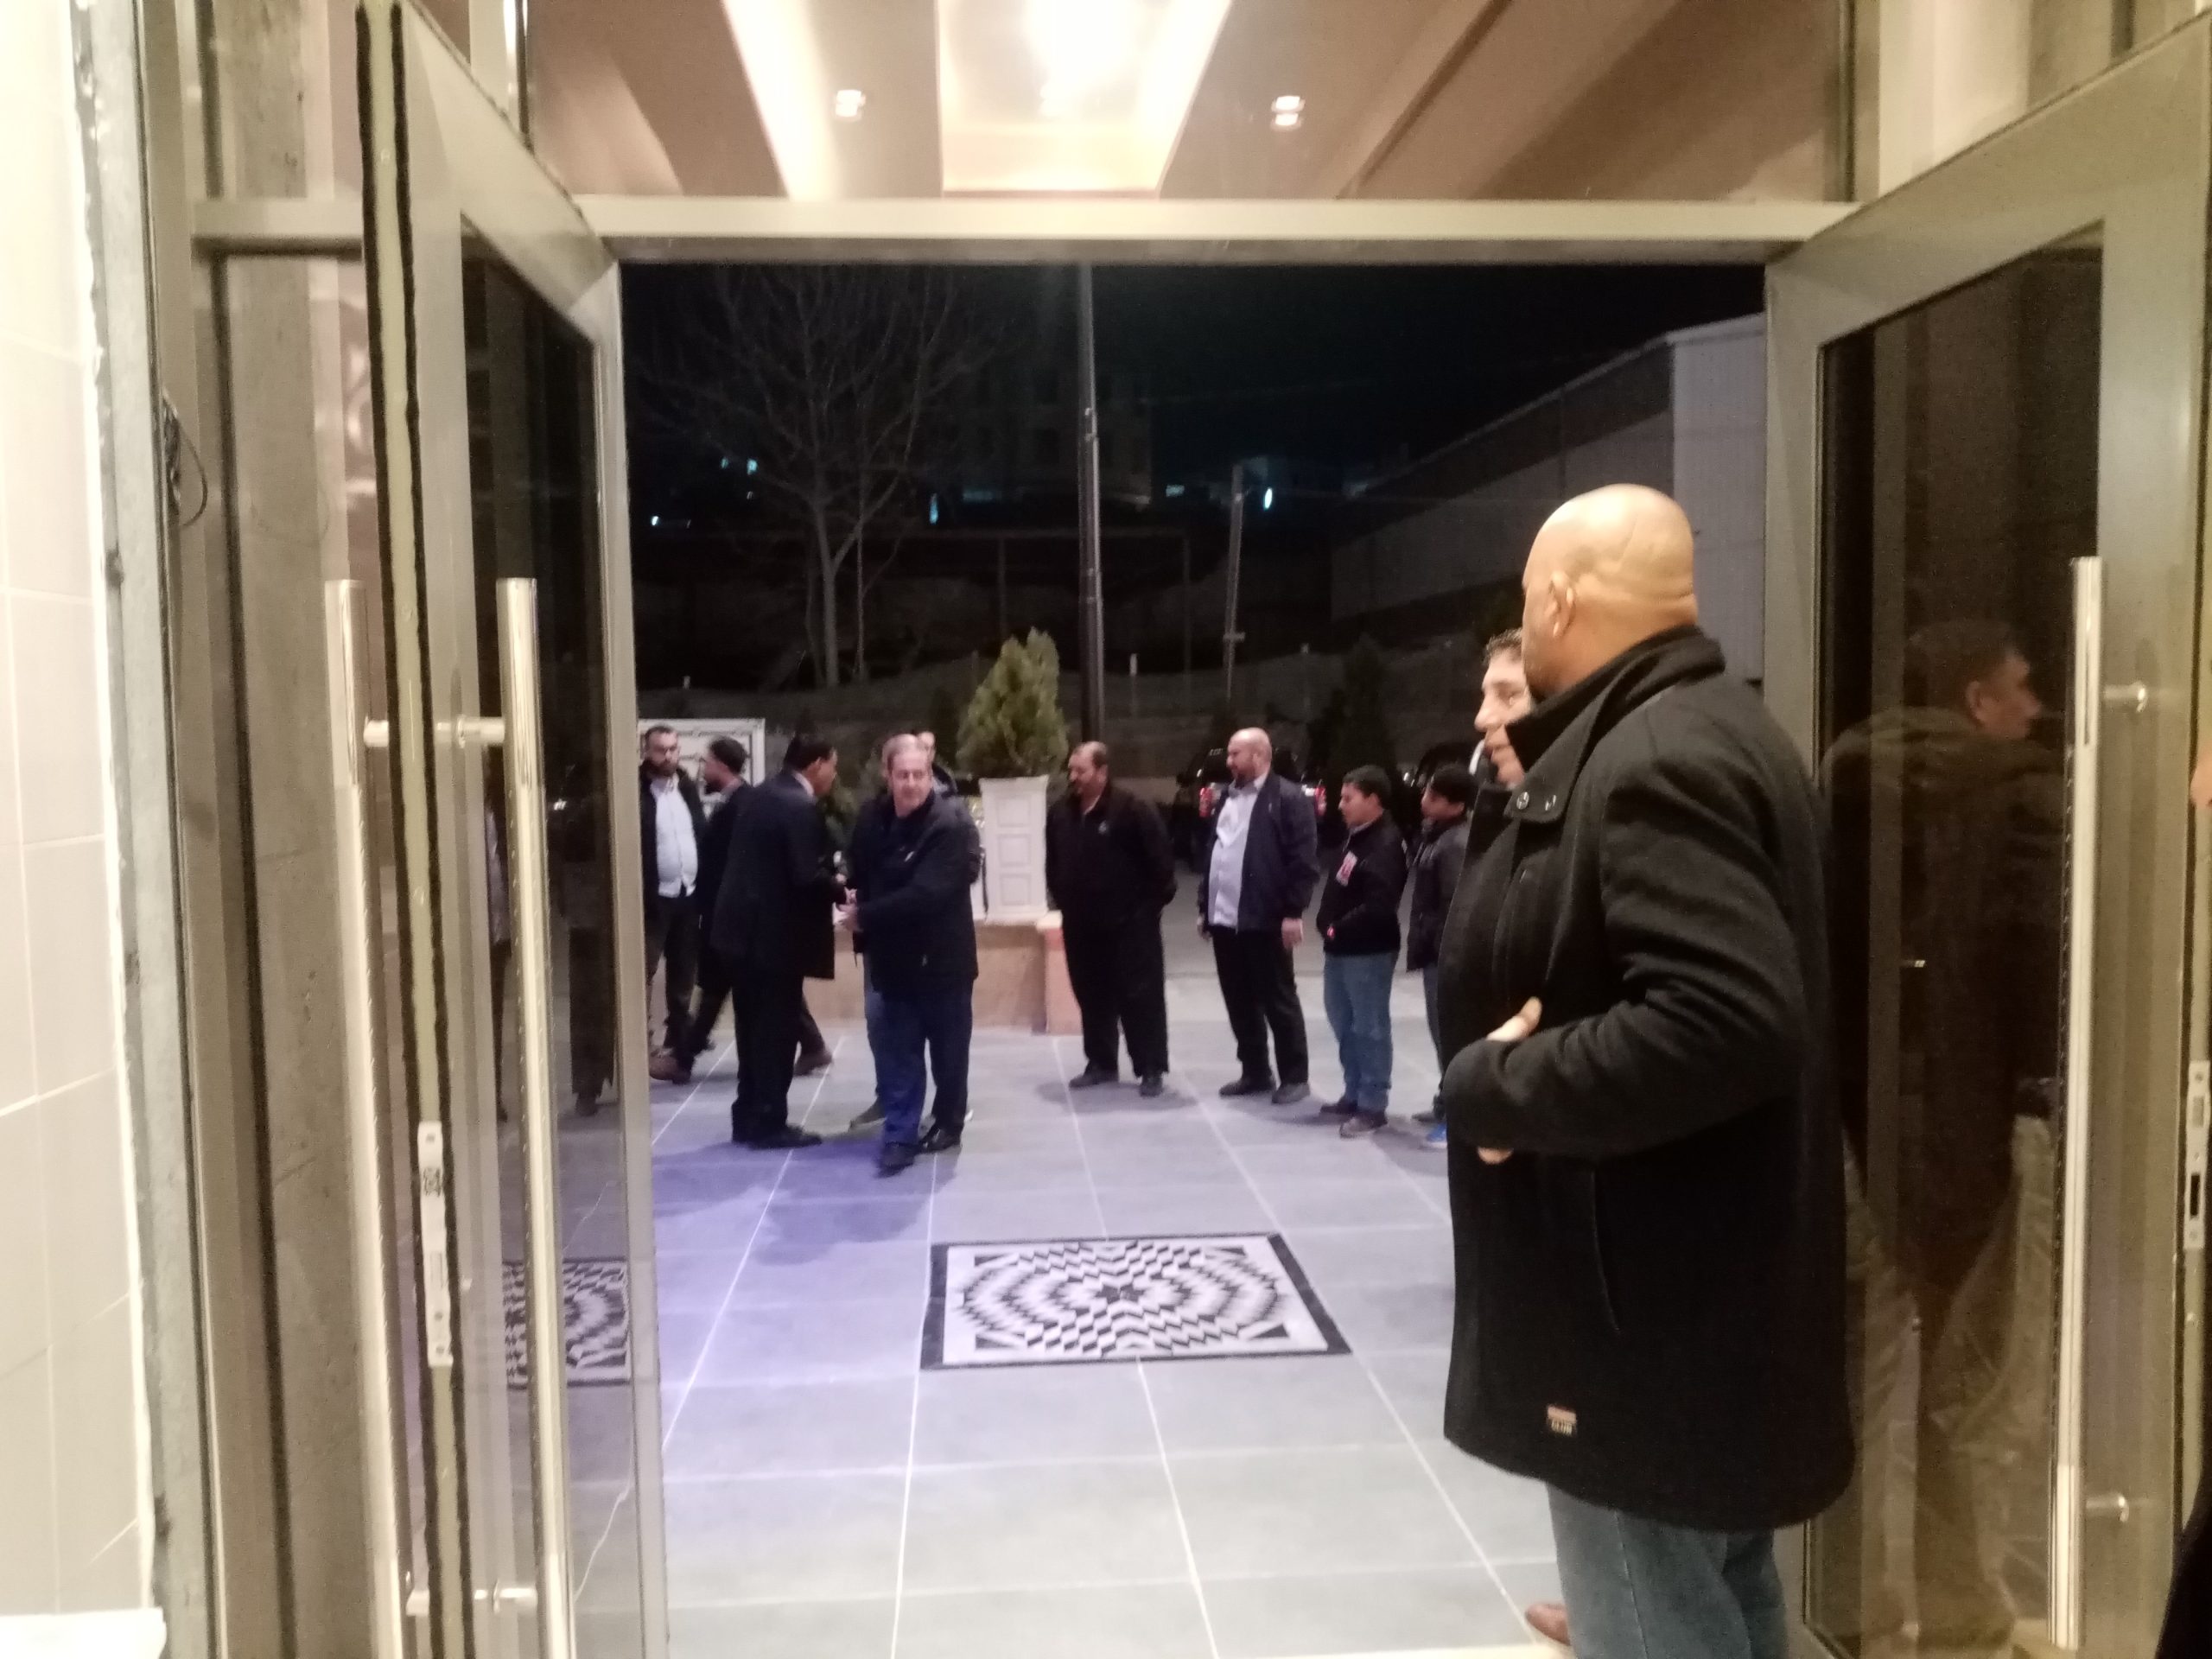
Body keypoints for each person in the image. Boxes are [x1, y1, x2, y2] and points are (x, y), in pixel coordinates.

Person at [1438, 484, 1850, 1659]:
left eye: (1530, 597)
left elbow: (1728, 1017)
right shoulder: (1714, 726)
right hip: (1693, 1301)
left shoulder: (1652, 757)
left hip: (1641, 1325)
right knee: (1729, 1602)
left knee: (1658, 1621)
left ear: (1559, 602)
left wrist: (1502, 1089)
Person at [1819, 619, 2062, 1659]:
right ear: (1975, 701)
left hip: (1858, 1124)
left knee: (1863, 1383)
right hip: (1981, 1131)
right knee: (1978, 1390)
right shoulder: (2024, 804)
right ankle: (1963, 1625)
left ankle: (1857, 1616)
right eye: (2020, 688)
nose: (2035, 709)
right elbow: (2041, 988)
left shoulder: (1842, 788)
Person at [846, 734, 979, 1176]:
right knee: (898, 1052)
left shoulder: (950, 825)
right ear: (887, 776)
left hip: (943, 963)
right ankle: (900, 1136)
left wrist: (866, 914)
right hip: (892, 961)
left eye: (919, 775)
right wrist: (850, 892)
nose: (911, 783)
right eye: (902, 775)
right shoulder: (872, 817)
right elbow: (859, 867)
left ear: (930, 774)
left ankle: (949, 1122)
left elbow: (928, 894)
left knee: (948, 1054)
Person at [712, 734, 844, 1149]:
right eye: (833, 766)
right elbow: (806, 875)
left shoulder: (761, 794)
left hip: (739, 936)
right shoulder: (798, 806)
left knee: (751, 1032)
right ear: (817, 764)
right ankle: (770, 1122)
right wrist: (841, 886)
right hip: (773, 941)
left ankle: (747, 1116)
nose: (834, 776)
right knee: (776, 1034)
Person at [1047, 741, 1176, 1097]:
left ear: (1102, 772)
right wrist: (1064, 901)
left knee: (1140, 998)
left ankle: (1150, 1068)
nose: (1073, 777)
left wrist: (1145, 912)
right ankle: (1101, 1063)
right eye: (1071, 770)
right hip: (1081, 927)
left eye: (1081, 770)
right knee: (1091, 995)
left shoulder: (1133, 809)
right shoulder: (1061, 812)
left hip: (1131, 928)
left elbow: (1162, 868)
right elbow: (1053, 863)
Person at [1199, 728, 1320, 1105]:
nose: (1229, 762)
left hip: (1265, 918)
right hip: (1225, 918)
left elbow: (1303, 861)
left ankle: (1295, 1077)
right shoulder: (1227, 797)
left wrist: (1293, 912)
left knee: (1278, 998)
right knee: (1238, 999)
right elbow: (1215, 851)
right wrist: (1205, 906)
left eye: (1235, 754)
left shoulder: (1288, 798)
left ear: (1259, 756)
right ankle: (1255, 1071)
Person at [1318, 765, 1408, 1138]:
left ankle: (1373, 1103)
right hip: (1341, 949)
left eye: (1348, 798)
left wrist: (1337, 927)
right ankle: (1353, 1091)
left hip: (1367, 951)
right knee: (1343, 1021)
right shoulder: (1357, 836)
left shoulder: (1385, 843)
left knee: (1369, 1027)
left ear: (1373, 799)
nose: (1341, 805)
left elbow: (1379, 905)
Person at [1404, 763, 1472, 1152]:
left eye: (1433, 794)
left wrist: (1442, 948)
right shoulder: (1438, 834)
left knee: (1450, 1037)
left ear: (1455, 804)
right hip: (1433, 950)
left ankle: (1457, 1120)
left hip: (1445, 954)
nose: (1424, 798)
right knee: (1440, 1032)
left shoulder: (1456, 843)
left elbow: (1456, 905)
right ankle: (1445, 1102)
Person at [640, 725, 706, 1067]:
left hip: (687, 893)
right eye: (660, 749)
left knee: (684, 972)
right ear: (646, 752)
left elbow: (699, 833)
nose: (668, 756)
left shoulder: (687, 787)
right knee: (644, 970)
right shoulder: (638, 790)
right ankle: (641, 1043)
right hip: (653, 898)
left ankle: (679, 1038)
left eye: (673, 749)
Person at [917, 729, 959, 798]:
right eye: (925, 748)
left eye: (932, 748)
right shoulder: (908, 780)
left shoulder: (945, 779)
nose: (929, 752)